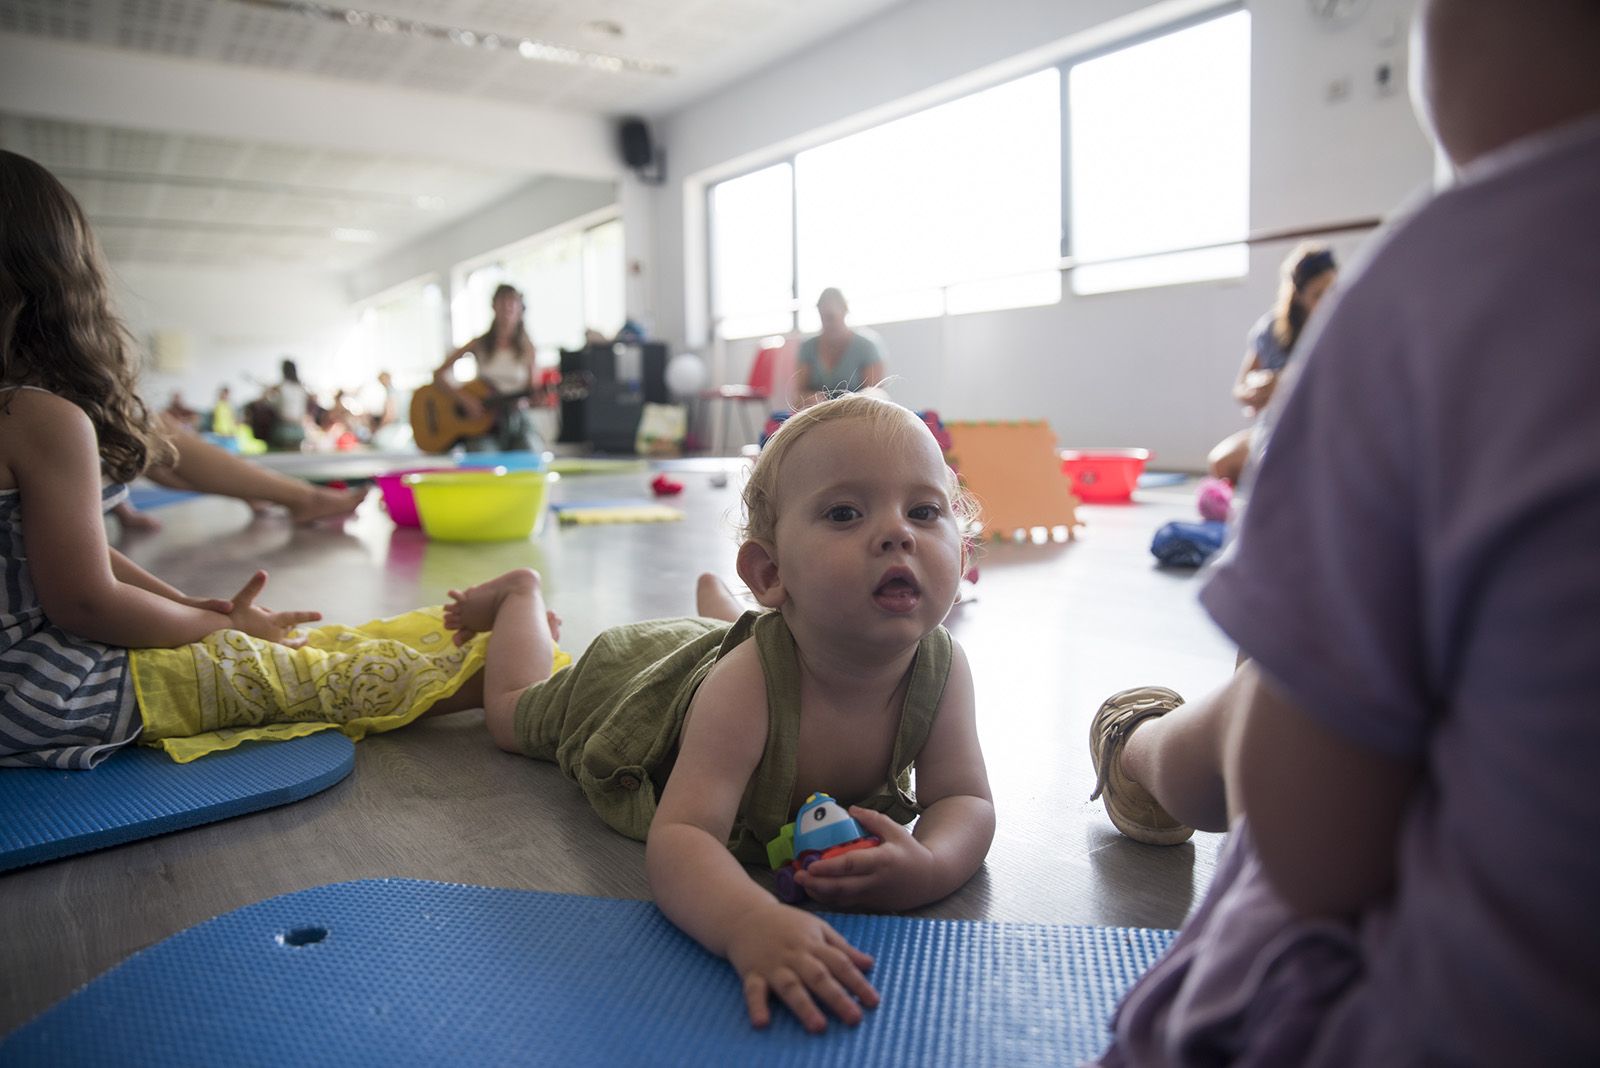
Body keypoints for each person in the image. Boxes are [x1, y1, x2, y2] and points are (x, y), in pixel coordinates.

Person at [1088, 2, 1600, 1061]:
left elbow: (1315, 850)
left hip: (1416, 1025)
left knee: (1275, 704)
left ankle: (1145, 749)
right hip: (1278, 464)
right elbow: (1249, 395)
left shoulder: (1445, 279)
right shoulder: (1281, 335)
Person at [441, 391, 995, 1033]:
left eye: (924, 511)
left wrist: (930, 865)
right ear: (769, 571)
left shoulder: (944, 667)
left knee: (763, 640)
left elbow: (965, 802)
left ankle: (720, 614)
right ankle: (519, 597)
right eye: (845, 513)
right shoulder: (747, 686)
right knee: (508, 719)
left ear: (962, 554)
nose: (898, 532)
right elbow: (683, 838)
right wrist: (747, 922)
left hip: (751, 642)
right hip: (634, 685)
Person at [0, 149, 490, 769]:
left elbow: (57, 555)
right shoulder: (36, 416)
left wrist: (189, 607)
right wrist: (219, 630)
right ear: (61, 280)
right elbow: (87, 602)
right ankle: (492, 682)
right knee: (281, 672)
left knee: (252, 638)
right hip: (31, 691)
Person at [1204, 244, 1337, 485]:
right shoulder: (1271, 330)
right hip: (1273, 430)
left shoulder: (1343, 326)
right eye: (1318, 294)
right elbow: (1240, 388)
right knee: (1220, 463)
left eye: (1332, 290)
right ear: (1299, 295)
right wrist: (1257, 391)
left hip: (1324, 432)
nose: (1327, 301)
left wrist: (1286, 384)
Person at [432, 284, 542, 452]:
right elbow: (439, 374)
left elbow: (533, 392)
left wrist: (535, 399)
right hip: (483, 423)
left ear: (520, 308)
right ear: (493, 306)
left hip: (515, 419)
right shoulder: (479, 344)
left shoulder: (528, 349)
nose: (507, 308)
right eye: (502, 302)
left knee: (532, 453)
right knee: (482, 459)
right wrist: (464, 399)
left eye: (512, 302)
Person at [790, 288, 886, 407]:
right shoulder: (807, 348)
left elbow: (875, 395)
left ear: (844, 311)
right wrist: (809, 399)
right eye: (823, 317)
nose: (827, 324)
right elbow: (798, 395)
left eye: (831, 317)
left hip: (856, 414)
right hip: (817, 415)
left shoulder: (867, 346)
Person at [271, 358, 312, 451]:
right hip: (299, 428)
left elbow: (273, 404)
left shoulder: (281, 387)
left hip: (284, 428)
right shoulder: (301, 388)